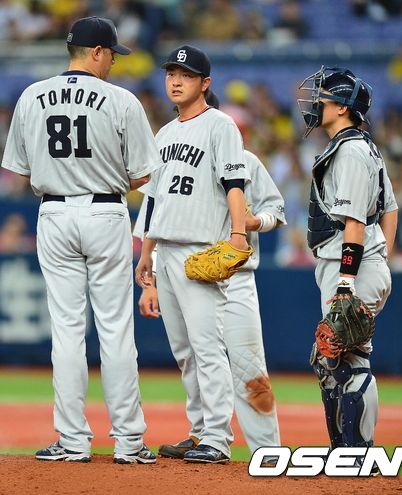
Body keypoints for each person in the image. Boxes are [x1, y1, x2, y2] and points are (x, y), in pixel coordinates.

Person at [1, 17, 161, 464]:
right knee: (115, 330)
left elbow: (21, 170)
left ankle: (72, 440)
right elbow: (144, 177)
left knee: (66, 331)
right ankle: (129, 441)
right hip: (106, 211)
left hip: (53, 212)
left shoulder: (31, 96)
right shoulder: (121, 100)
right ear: (96, 52)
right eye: (111, 54)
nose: (113, 62)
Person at [134, 95, 284, 457]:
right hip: (190, 269)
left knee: (248, 366)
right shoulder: (173, 154)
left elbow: (276, 211)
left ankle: (267, 451)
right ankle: (202, 432)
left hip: (236, 275)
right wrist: (151, 276)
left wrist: (254, 222)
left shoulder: (247, 161)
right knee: (191, 355)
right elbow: (158, 214)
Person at [135, 45, 250, 464]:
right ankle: (199, 430)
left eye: (186, 74)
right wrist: (146, 254)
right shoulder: (163, 135)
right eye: (171, 73)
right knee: (185, 353)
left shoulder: (221, 125)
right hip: (164, 249)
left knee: (207, 347)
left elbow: (235, 184)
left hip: (201, 251)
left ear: (205, 83)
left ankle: (218, 438)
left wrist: (238, 234)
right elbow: (154, 200)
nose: (176, 81)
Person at [297, 67, 398, 456]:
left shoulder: (352, 151)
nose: (315, 103)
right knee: (329, 359)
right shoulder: (360, 146)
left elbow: (355, 222)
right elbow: (390, 210)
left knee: (348, 362)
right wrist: (381, 258)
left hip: (350, 268)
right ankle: (346, 451)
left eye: (322, 97)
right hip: (358, 264)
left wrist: (348, 281)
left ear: (341, 106)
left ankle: (359, 453)